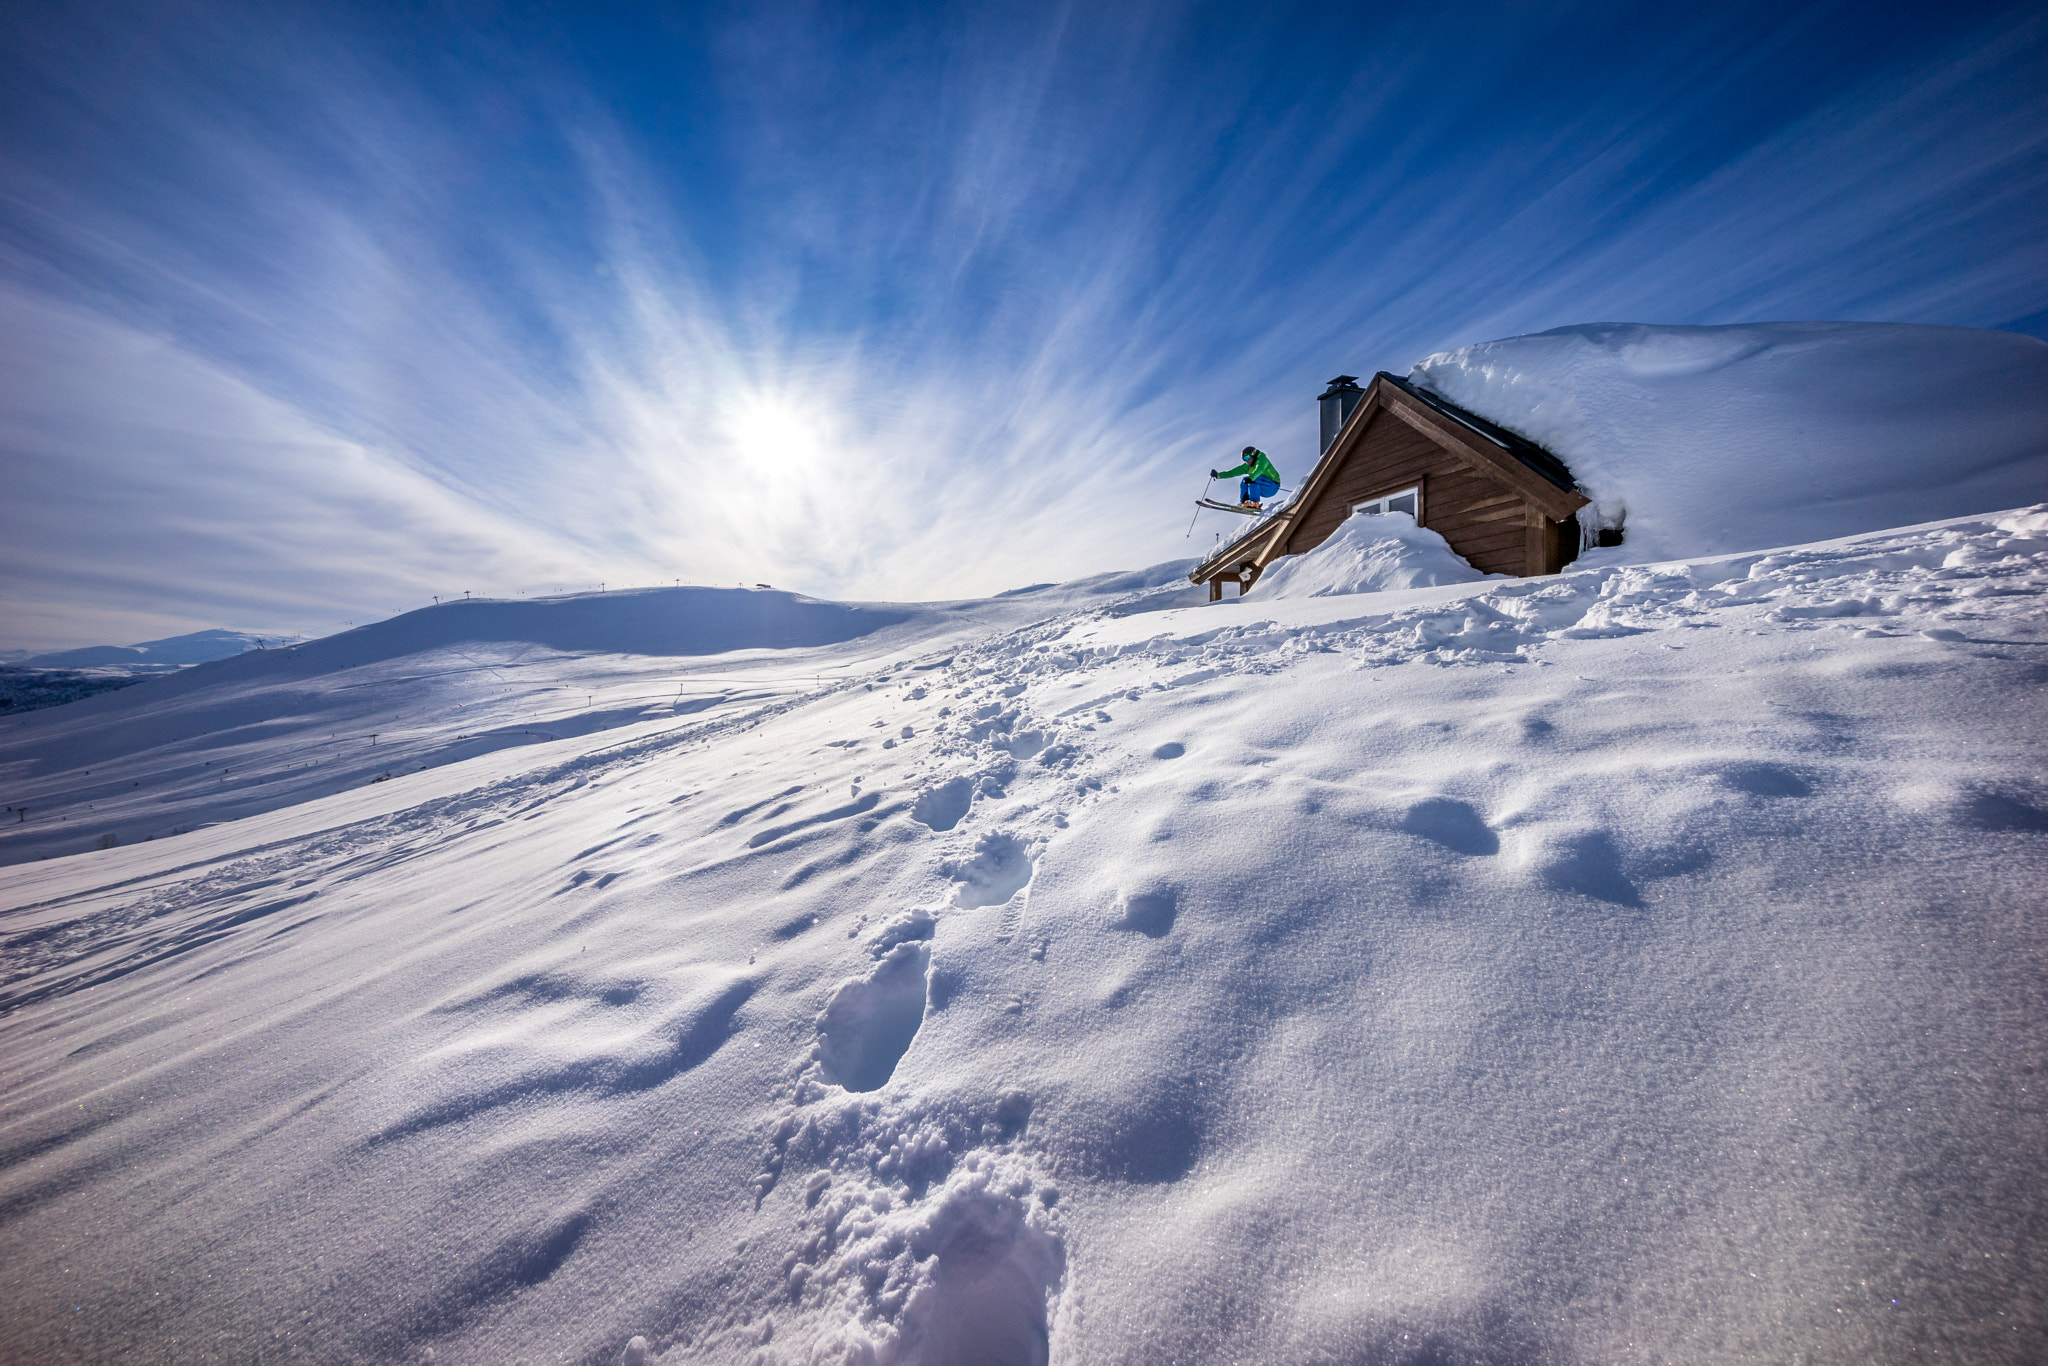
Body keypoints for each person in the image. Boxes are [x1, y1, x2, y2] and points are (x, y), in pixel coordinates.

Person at [1212, 447, 1281, 509]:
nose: (1246, 461)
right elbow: (1233, 472)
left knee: (1254, 478)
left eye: (1247, 458)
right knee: (1244, 480)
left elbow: (1259, 470)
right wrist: (1218, 475)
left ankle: (1254, 502)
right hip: (1262, 487)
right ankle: (1245, 502)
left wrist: (1251, 478)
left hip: (1272, 486)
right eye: (1243, 459)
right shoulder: (1247, 466)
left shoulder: (1262, 460)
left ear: (1253, 455)